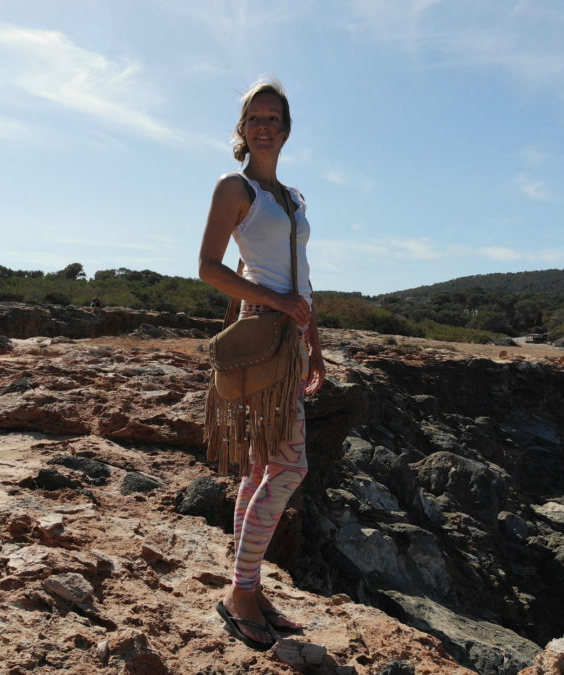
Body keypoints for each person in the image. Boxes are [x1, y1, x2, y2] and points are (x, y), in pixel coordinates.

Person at [198, 78, 326, 650]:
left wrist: (314, 340)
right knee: (288, 469)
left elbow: (301, 275)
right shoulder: (236, 186)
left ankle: (245, 585)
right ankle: (241, 592)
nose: (265, 125)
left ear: (287, 128)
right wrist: (276, 304)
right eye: (255, 117)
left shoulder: (293, 197)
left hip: (291, 335)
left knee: (260, 468)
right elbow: (208, 266)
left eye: (274, 116)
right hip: (263, 329)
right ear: (243, 129)